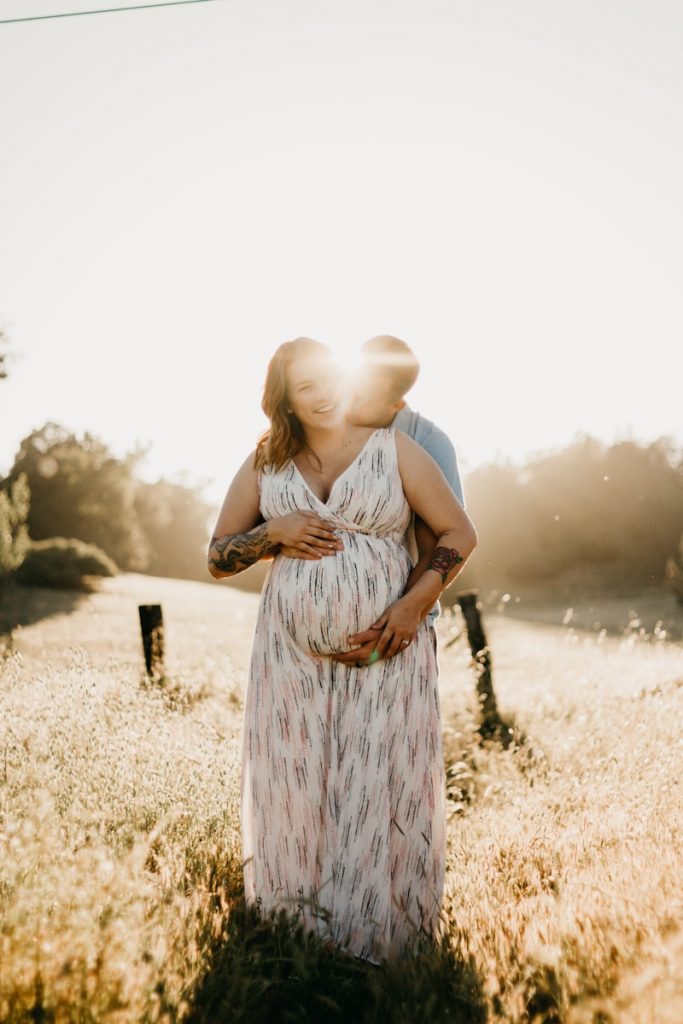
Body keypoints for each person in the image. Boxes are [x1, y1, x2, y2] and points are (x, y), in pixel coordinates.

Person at [207, 337, 477, 965]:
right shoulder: (263, 465)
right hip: (288, 659)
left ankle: (383, 938)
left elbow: (460, 531)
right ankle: (296, 932)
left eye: (329, 376)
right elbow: (218, 556)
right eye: (307, 386)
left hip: (388, 651)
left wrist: (411, 607)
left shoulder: (396, 448)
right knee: (293, 785)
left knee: (377, 784)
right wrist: (270, 533)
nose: (324, 391)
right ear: (286, 399)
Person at [333, 335, 465, 667]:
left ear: (397, 404)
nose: (347, 402)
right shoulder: (330, 426)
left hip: (397, 635)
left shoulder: (427, 442)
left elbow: (444, 540)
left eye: (362, 397)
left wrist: (404, 612)